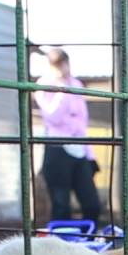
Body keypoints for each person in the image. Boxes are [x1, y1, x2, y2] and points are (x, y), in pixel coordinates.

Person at [34, 47, 101, 226]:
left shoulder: (77, 85)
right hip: (58, 147)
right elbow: (53, 117)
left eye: (64, 63)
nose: (63, 68)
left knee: (92, 204)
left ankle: (88, 239)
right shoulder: (44, 85)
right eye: (58, 65)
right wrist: (62, 91)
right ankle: (62, 243)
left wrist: (90, 154)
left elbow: (82, 121)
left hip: (79, 147)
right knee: (61, 204)